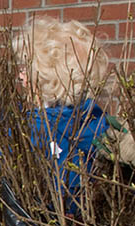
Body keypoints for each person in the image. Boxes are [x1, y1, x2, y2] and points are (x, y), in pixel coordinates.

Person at [12, 16, 109, 198]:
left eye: (26, 68)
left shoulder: (39, 128)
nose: (21, 76)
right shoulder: (94, 120)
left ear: (48, 77)